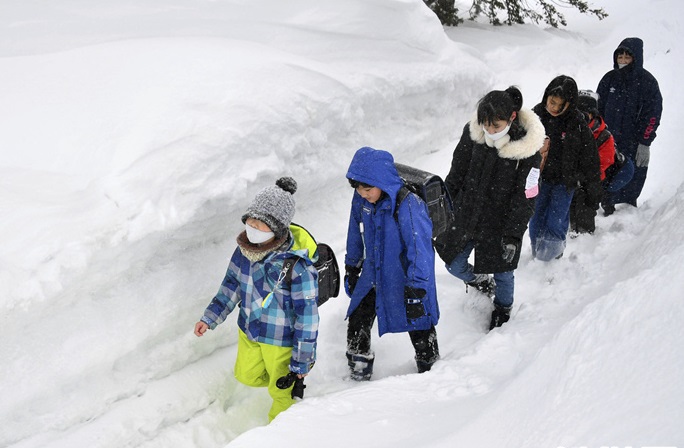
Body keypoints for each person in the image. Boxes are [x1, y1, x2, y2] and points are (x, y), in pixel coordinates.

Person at [193, 177, 319, 422]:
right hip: (249, 329)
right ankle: (279, 384)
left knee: (281, 393)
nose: (252, 229)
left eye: (260, 225)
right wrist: (209, 318)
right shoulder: (243, 251)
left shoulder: (297, 266)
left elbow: (308, 317)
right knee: (246, 375)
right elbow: (230, 286)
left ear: (277, 230)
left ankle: (281, 431)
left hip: (280, 339)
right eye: (250, 222)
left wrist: (301, 361)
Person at [433, 87, 544, 330]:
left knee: (503, 273)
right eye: (485, 124)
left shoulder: (527, 151)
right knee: (454, 263)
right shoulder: (473, 135)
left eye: (496, 126)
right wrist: (443, 207)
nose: (490, 131)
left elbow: (526, 197)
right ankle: (481, 282)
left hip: (501, 223)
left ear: (511, 118)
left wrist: (513, 235)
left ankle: (503, 308)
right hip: (467, 214)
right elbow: (456, 174)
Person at [344, 146, 440, 380]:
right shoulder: (362, 200)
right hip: (373, 274)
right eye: (358, 188)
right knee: (358, 322)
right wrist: (352, 266)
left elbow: (420, 250)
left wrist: (418, 287)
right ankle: (357, 377)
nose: (362, 193)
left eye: (368, 189)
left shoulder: (409, 204)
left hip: (405, 277)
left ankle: (431, 371)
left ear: (382, 183)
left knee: (419, 324)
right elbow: (354, 232)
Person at [529, 75, 600, 261]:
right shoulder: (535, 117)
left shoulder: (577, 124)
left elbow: (590, 158)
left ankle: (552, 258)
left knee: (556, 220)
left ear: (570, 104)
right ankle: (537, 254)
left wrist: (591, 187)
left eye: (561, 105)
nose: (554, 108)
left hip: (564, 182)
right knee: (536, 217)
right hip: (539, 179)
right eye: (552, 102)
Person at [596, 37, 663, 215]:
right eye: (620, 56)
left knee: (632, 173)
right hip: (609, 138)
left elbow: (653, 114)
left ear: (636, 58)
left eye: (627, 57)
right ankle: (606, 205)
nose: (623, 60)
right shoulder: (609, 79)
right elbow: (598, 108)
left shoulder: (647, 82)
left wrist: (645, 141)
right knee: (608, 172)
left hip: (634, 140)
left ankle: (627, 210)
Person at [569, 89, 615, 234]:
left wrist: (584, 175)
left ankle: (584, 232)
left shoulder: (604, 136)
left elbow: (605, 161)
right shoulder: (570, 129)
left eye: (585, 113)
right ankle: (569, 226)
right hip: (570, 175)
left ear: (593, 114)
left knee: (587, 198)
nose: (581, 116)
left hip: (593, 178)